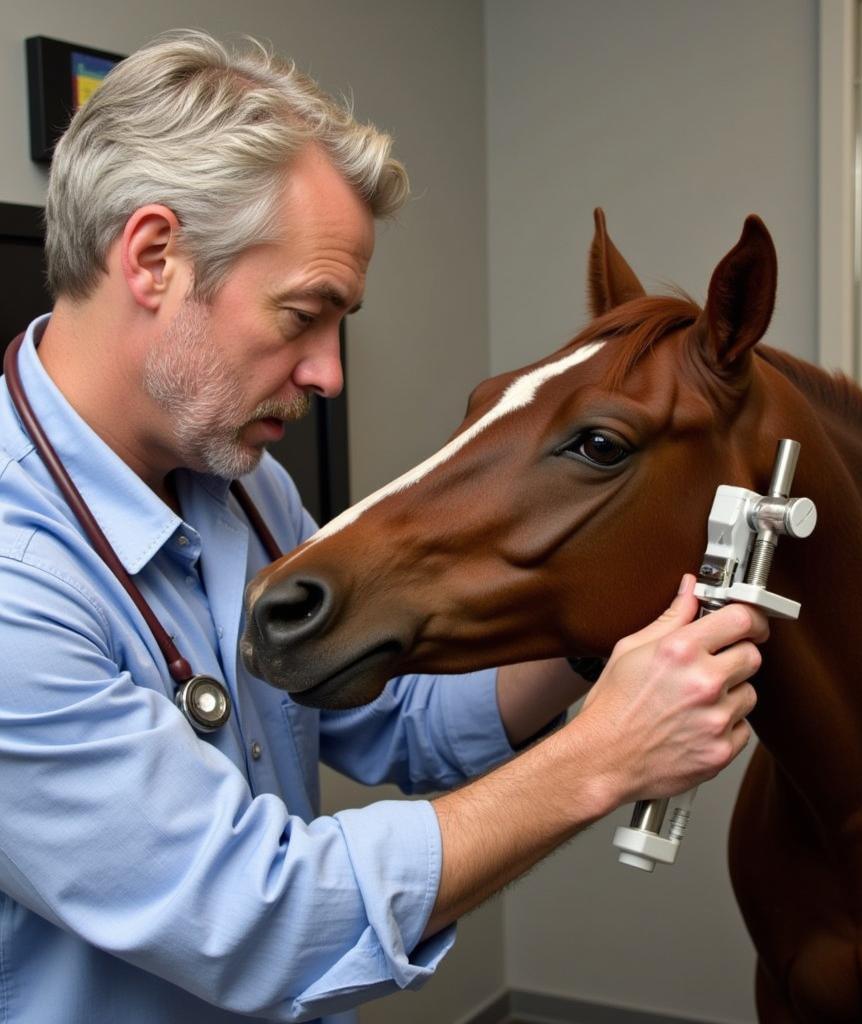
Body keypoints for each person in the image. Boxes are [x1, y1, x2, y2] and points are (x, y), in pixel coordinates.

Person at [0, 30, 765, 1024]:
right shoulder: (19, 582)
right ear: (154, 259)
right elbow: (254, 915)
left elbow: (398, 718)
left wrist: (597, 639)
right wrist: (603, 758)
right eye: (303, 315)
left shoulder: (244, 487)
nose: (329, 373)